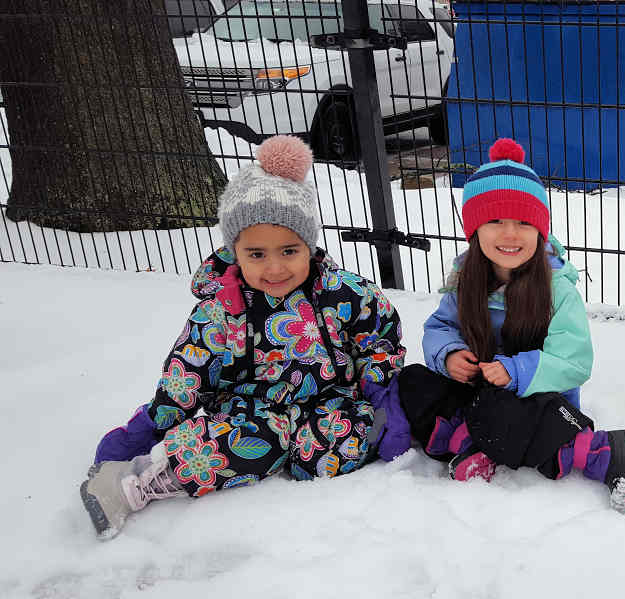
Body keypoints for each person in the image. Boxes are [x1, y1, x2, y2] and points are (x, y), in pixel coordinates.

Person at [80, 136, 410, 539]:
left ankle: (301, 449)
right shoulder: (221, 310)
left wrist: (382, 398)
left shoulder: (345, 293)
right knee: (246, 444)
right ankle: (142, 481)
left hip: (330, 402)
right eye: (256, 254)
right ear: (235, 250)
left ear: (309, 244)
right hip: (251, 410)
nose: (274, 268)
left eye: (289, 251)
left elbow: (379, 339)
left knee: (329, 454)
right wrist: (147, 428)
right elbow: (189, 374)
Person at [398, 138, 625, 512]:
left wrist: (515, 371)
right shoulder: (466, 279)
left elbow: (574, 361)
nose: (510, 234)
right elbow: (439, 327)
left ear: (540, 230)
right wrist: (448, 355)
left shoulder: (557, 289)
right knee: (412, 381)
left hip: (538, 400)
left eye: (524, 223)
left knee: (507, 415)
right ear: (475, 229)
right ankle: (473, 441)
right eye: (495, 221)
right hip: (479, 391)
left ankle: (606, 451)